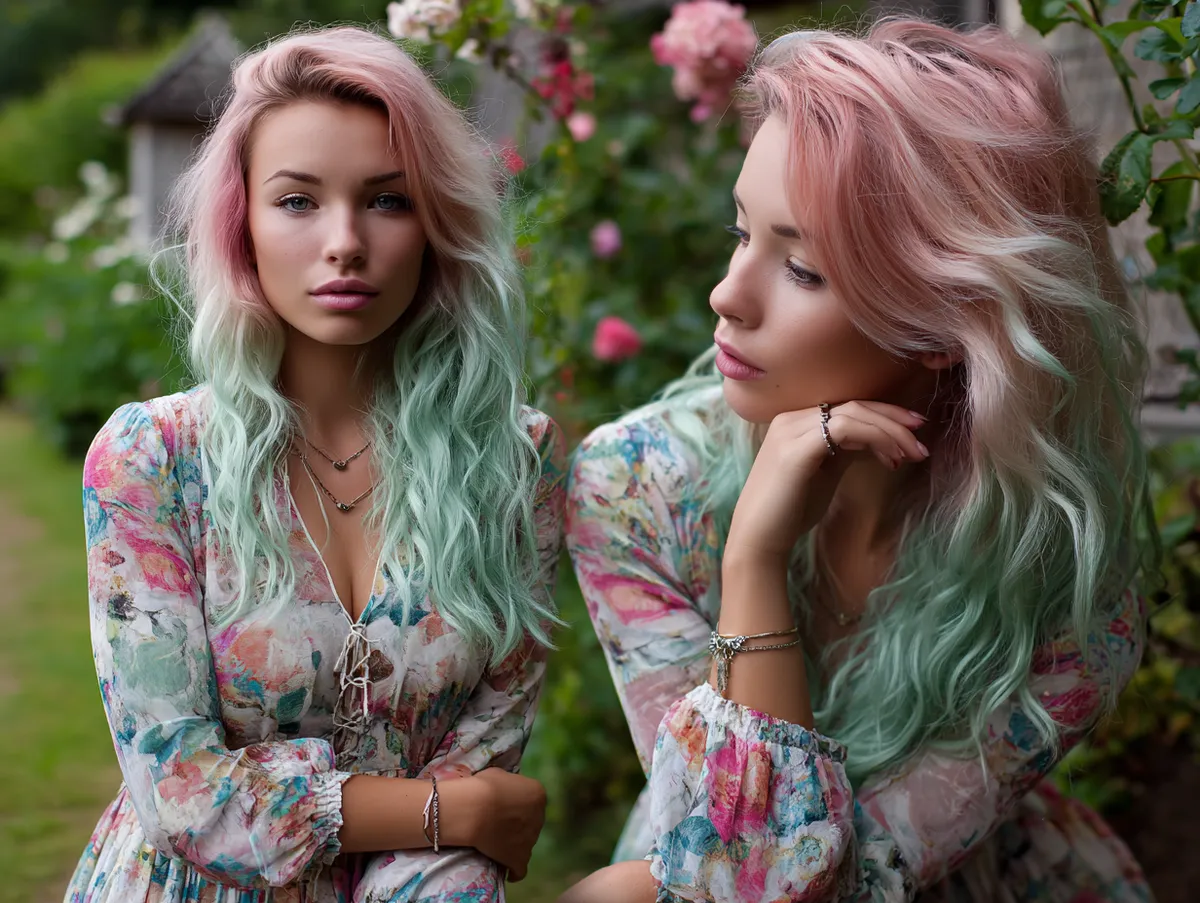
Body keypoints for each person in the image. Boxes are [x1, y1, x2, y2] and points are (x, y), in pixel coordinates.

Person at [562, 18, 1157, 903]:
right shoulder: (639, 484)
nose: (726, 294)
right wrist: (752, 554)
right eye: (741, 232)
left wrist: (755, 564)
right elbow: (726, 867)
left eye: (802, 269)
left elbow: (810, 891)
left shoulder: (1067, 574)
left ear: (946, 326)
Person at [67, 26, 565, 903]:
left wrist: (442, 823)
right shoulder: (153, 459)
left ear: (436, 222)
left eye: (387, 200)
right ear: (243, 224)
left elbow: (484, 758)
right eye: (298, 201)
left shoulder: (514, 463)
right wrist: (446, 814)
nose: (344, 241)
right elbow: (179, 789)